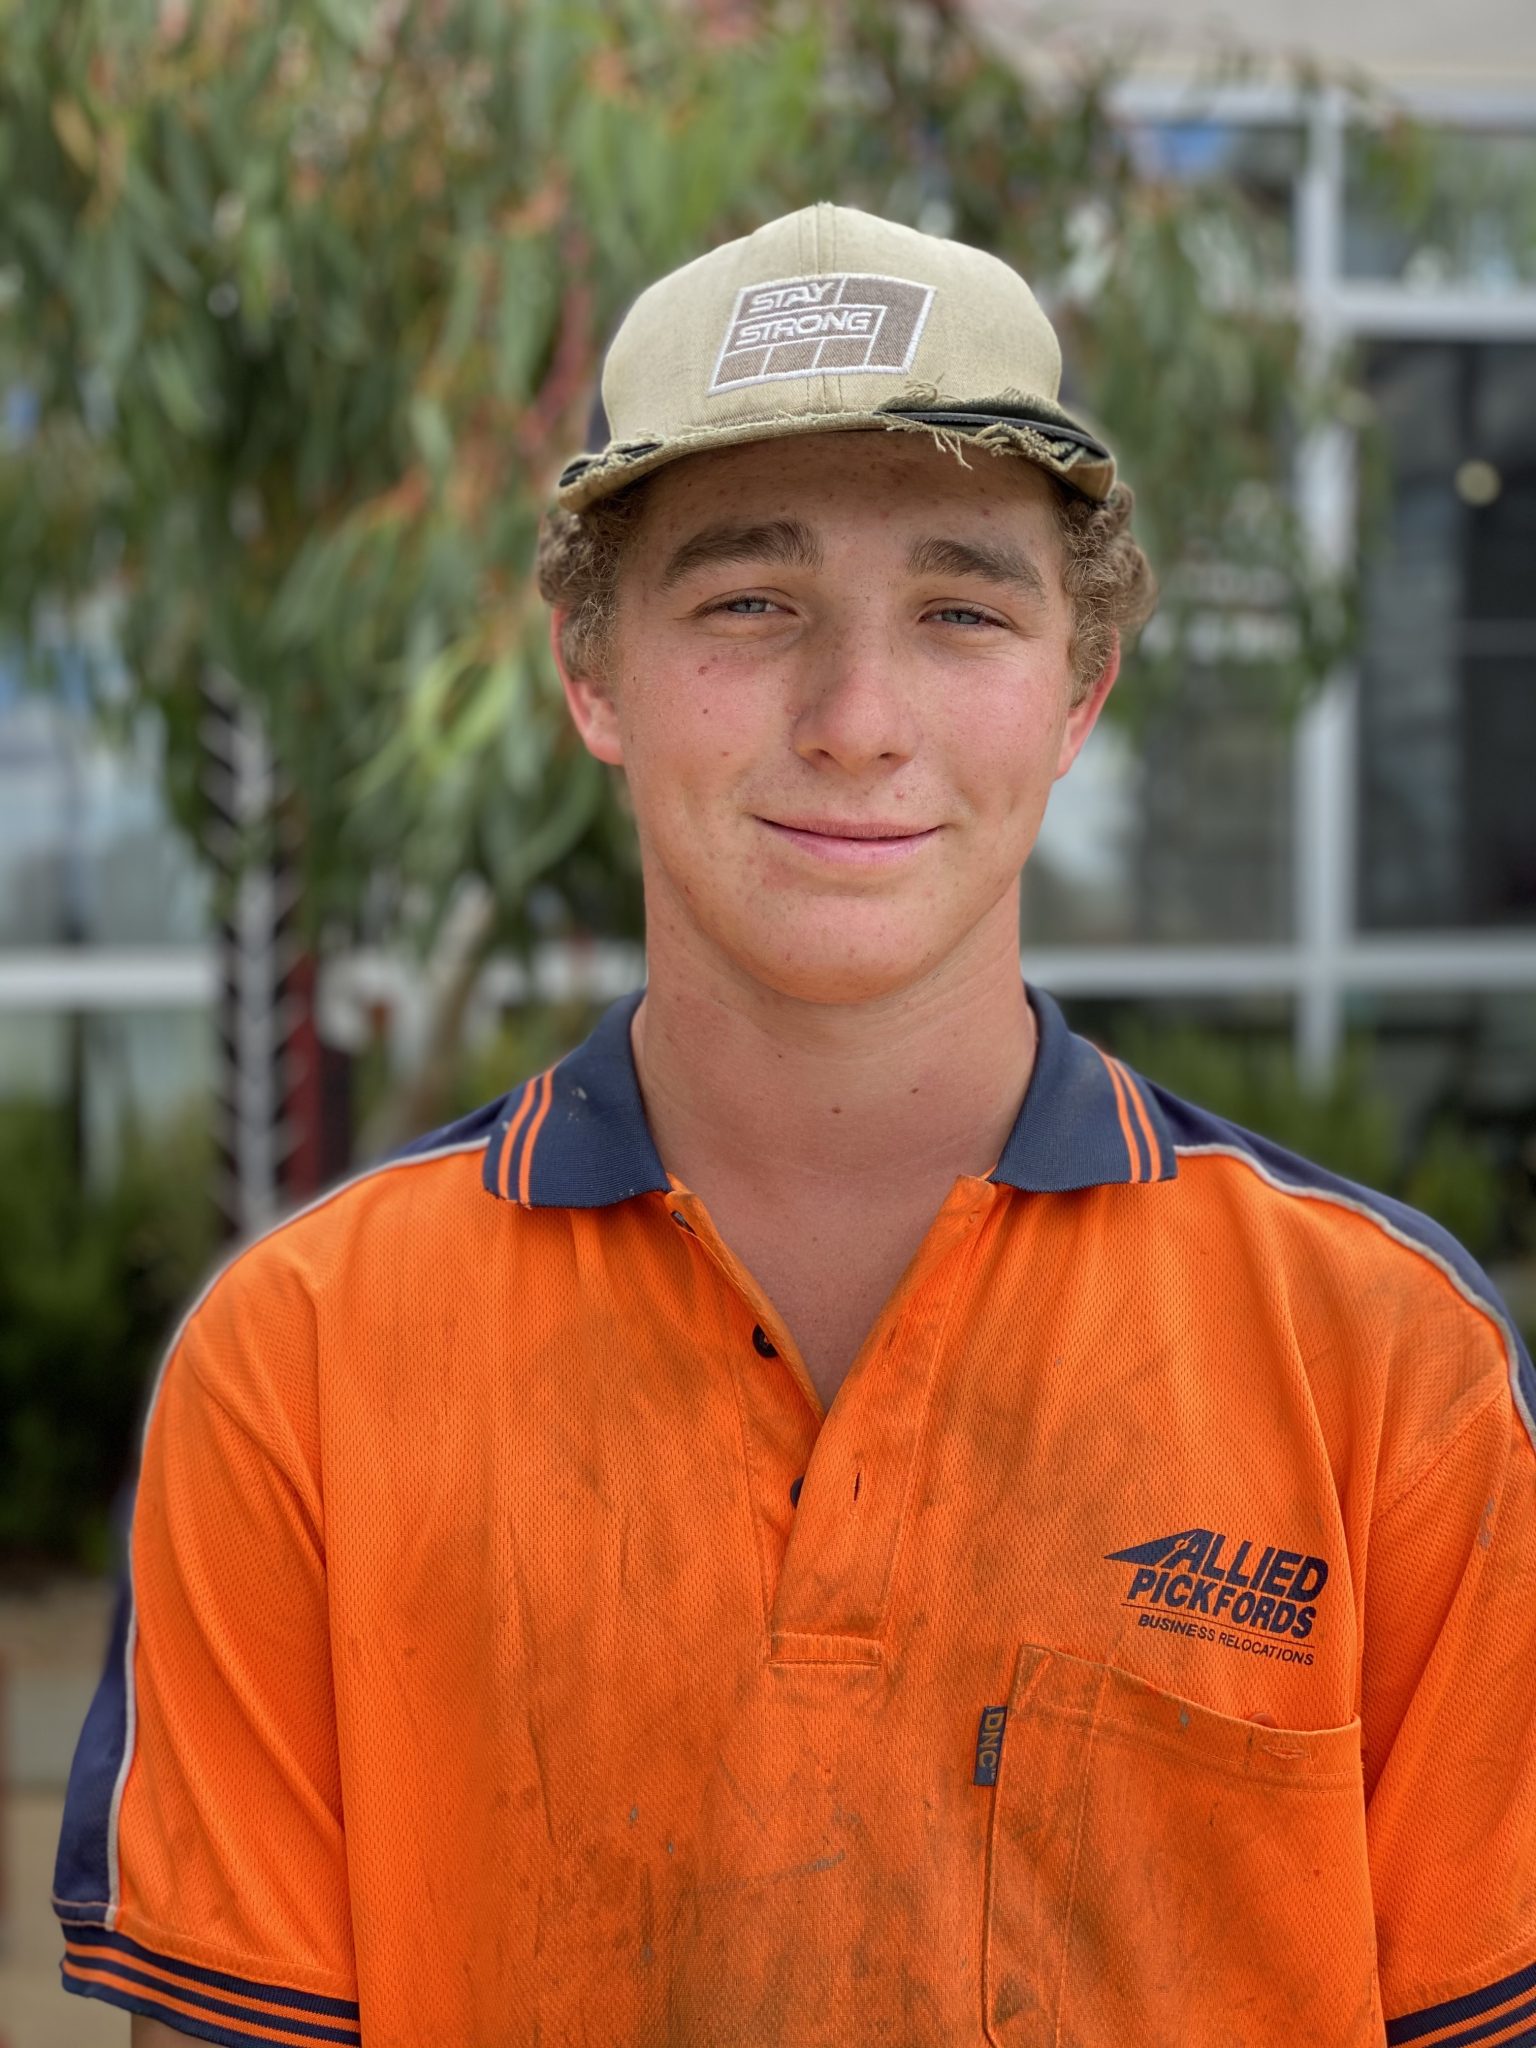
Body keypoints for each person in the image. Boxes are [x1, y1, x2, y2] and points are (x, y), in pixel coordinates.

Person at [55, 203, 1536, 2048]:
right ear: (592, 670)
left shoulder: (1383, 1362)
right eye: (751, 603)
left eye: (962, 610)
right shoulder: (298, 1365)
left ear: (1081, 689)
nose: (856, 719)